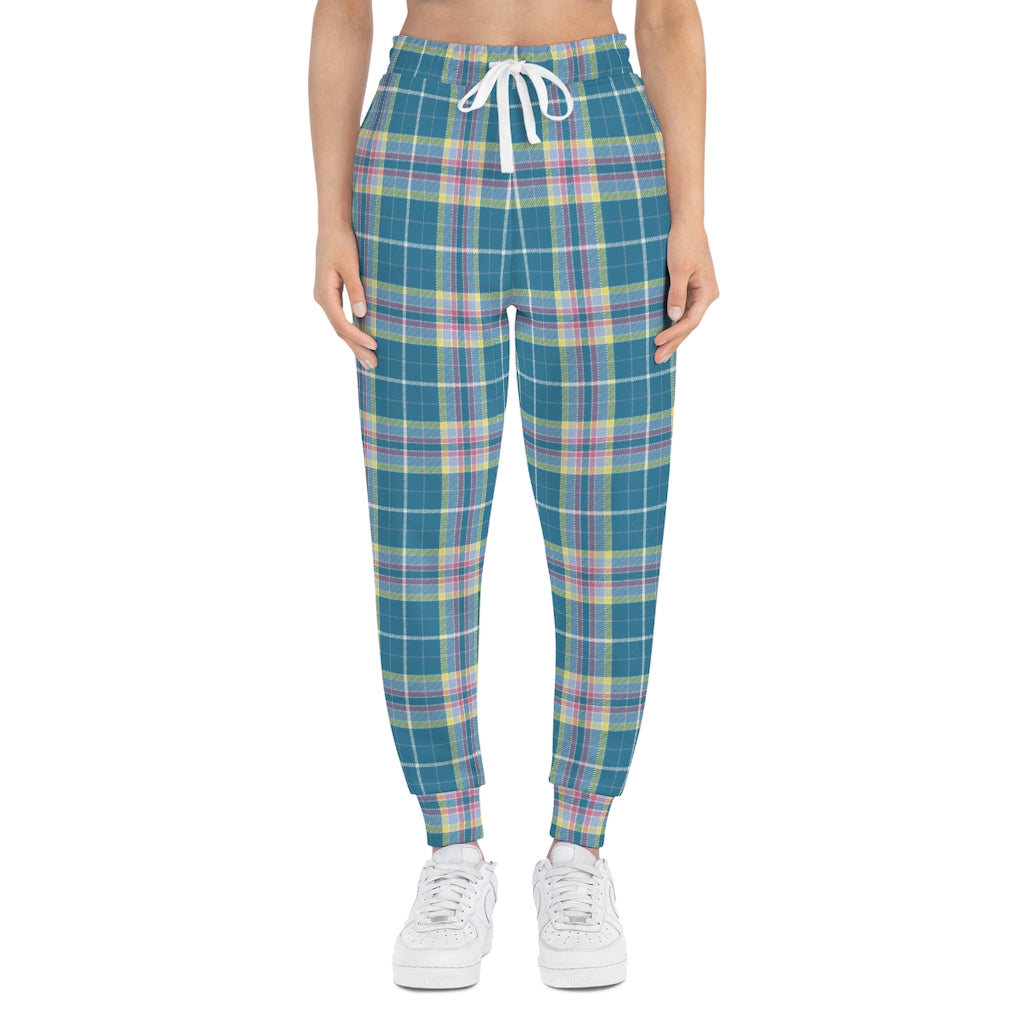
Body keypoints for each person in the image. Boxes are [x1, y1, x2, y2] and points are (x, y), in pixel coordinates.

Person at [309, 0, 718, 989]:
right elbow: (342, 12)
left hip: (600, 133)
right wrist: (329, 216)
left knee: (609, 516)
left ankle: (579, 849)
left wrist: (691, 213)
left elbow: (666, 15)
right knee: (420, 514)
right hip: (420, 136)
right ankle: (451, 847)